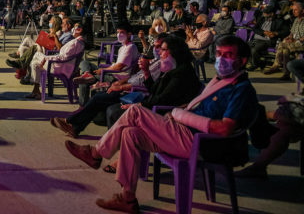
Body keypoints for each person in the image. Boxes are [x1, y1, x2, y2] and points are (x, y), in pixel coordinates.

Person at [64, 35, 258, 213]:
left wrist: (180, 115)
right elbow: (188, 104)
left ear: (242, 61)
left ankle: (95, 154)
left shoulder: (241, 89)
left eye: (229, 55)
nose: (221, 59)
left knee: (135, 111)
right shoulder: (219, 81)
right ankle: (127, 199)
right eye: (219, 54)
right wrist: (182, 111)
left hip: (199, 143)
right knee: (130, 134)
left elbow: (225, 128)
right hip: (184, 133)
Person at [25, 21, 86, 99]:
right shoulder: (78, 42)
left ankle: (34, 86)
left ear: (80, 30)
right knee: (34, 63)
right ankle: (36, 91)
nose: (73, 29)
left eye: (75, 27)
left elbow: (63, 57)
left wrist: (46, 58)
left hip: (59, 66)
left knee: (37, 55)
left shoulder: (76, 42)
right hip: (62, 65)